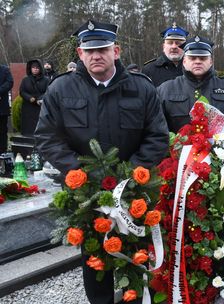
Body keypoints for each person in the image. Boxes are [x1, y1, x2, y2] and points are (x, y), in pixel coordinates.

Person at [34, 20, 169, 304]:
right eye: (89, 50)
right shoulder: (61, 89)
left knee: (135, 257)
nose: (96, 55)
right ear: (80, 54)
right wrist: (78, 172)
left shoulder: (141, 88)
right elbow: (47, 137)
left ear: (116, 51)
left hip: (134, 193)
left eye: (103, 49)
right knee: (95, 260)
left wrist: (131, 175)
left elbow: (157, 136)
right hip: (86, 196)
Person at [158, 35, 224, 140]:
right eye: (192, 58)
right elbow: (157, 126)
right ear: (184, 62)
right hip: (178, 154)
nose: (198, 61)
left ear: (210, 62)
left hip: (219, 153)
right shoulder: (165, 89)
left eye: (203, 58)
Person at [142, 22, 188, 87]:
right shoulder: (149, 69)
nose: (174, 47)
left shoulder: (193, 68)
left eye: (178, 43)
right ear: (164, 46)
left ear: (185, 46)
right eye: (170, 43)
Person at [19, 59, 49, 137]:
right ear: (30, 68)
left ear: (40, 69)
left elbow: (48, 91)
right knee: (28, 126)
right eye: (33, 67)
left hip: (40, 105)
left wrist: (39, 99)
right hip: (28, 106)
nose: (35, 69)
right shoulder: (25, 80)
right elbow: (22, 91)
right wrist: (29, 98)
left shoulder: (46, 80)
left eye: (37, 68)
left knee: (39, 124)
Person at [0, 64, 13, 153]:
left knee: (2, 130)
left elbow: (9, 82)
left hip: (1, 108)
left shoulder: (4, 70)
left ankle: (2, 151)